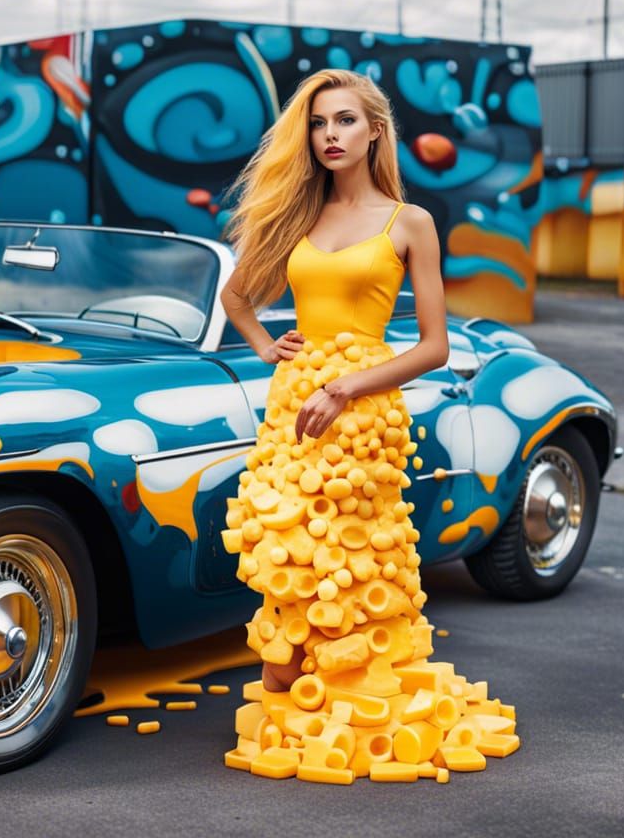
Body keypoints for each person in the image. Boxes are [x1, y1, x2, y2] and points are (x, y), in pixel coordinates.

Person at [218, 69, 519, 784]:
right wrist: (266, 346)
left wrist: (349, 384)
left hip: (363, 411)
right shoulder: (296, 215)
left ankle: (352, 707)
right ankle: (292, 713)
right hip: (296, 405)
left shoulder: (407, 223)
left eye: (346, 121)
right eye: (320, 123)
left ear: (375, 131)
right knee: (287, 558)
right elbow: (235, 295)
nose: (330, 135)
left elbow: (434, 347)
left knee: (352, 566)